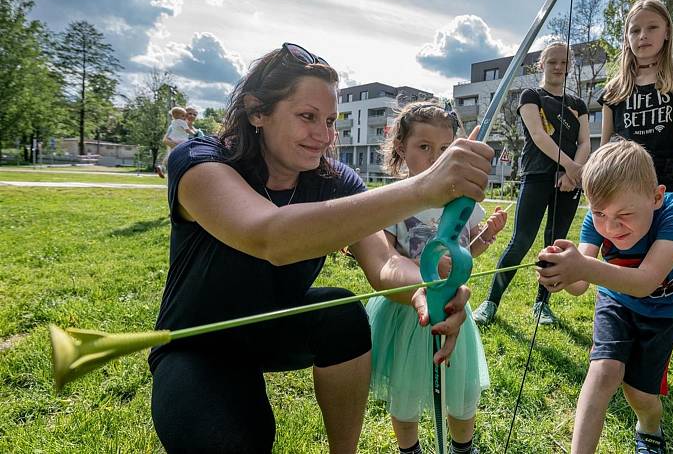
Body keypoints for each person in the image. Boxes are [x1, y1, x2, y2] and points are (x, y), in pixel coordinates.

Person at [148, 43, 494, 453]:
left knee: (342, 314)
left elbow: (384, 265)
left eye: (330, 120)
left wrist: (429, 286)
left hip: (276, 327)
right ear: (257, 111)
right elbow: (270, 236)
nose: (325, 135)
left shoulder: (334, 180)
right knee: (234, 442)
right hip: (198, 345)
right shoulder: (200, 160)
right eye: (307, 117)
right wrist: (423, 188)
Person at [536, 140, 673, 454]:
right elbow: (580, 285)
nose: (610, 227)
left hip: (662, 312)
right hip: (616, 304)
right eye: (599, 213)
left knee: (641, 397)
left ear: (655, 197)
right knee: (603, 373)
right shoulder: (597, 220)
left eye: (624, 214)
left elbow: (645, 282)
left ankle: (649, 428)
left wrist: (582, 266)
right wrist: (561, 272)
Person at [367, 102, 508, 454]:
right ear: (402, 148)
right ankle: (409, 449)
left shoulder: (463, 200)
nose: (435, 157)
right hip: (407, 313)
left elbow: (464, 252)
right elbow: (390, 256)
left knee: (461, 391)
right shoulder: (394, 202)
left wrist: (484, 238)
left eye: (445, 149)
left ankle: (462, 448)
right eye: (424, 147)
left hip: (453, 307)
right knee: (404, 393)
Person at [473, 42, 589, 326]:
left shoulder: (578, 104)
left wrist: (572, 174)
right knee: (521, 241)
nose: (558, 67)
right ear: (542, 65)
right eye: (552, 62)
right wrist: (571, 166)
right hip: (537, 176)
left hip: (569, 182)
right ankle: (490, 302)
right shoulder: (531, 96)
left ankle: (542, 304)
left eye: (563, 62)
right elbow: (539, 136)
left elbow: (585, 142)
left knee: (555, 244)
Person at [599, 0, 673, 192]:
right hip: (622, 182)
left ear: (667, 32)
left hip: (666, 184)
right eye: (635, 30)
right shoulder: (614, 89)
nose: (643, 35)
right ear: (627, 39)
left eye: (652, 27)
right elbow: (604, 147)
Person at [155, 106, 196, 178]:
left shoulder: (198, 131)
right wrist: (179, 147)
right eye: (189, 113)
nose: (192, 116)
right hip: (179, 156)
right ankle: (163, 167)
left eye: (195, 114)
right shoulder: (174, 125)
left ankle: (163, 167)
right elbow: (165, 140)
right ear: (183, 114)